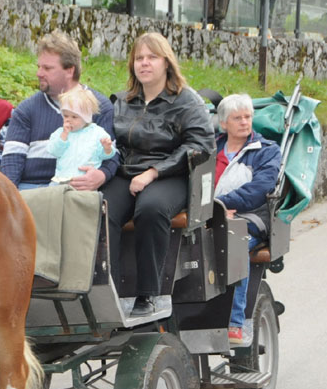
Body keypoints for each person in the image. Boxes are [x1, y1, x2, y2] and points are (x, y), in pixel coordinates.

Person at [105, 32, 216, 317]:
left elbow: (201, 146)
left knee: (151, 209)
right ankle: (109, 292)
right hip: (126, 171)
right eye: (139, 58)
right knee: (99, 209)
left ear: (166, 62)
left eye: (152, 57)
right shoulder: (122, 101)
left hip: (172, 175)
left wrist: (154, 172)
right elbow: (108, 141)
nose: (144, 63)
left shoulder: (187, 102)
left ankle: (148, 294)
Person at [0, 30, 116, 191]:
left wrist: (102, 174)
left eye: (47, 68)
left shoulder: (99, 106)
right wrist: (9, 197)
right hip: (30, 188)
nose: (38, 73)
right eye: (39, 67)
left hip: (76, 188)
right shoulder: (26, 110)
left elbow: (112, 154)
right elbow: (12, 160)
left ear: (70, 70)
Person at [213, 93, 281, 343]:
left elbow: (260, 189)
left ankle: (235, 322)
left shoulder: (267, 151)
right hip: (209, 215)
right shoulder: (210, 148)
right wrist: (214, 210)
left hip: (250, 219)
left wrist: (221, 205)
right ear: (223, 124)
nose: (244, 122)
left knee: (235, 242)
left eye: (248, 117)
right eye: (237, 118)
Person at [46, 87, 116, 184]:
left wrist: (107, 148)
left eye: (74, 117)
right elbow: (54, 151)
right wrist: (63, 137)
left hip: (84, 182)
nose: (68, 120)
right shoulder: (60, 133)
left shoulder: (97, 133)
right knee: (52, 197)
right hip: (61, 180)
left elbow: (104, 156)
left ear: (86, 117)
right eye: (66, 115)